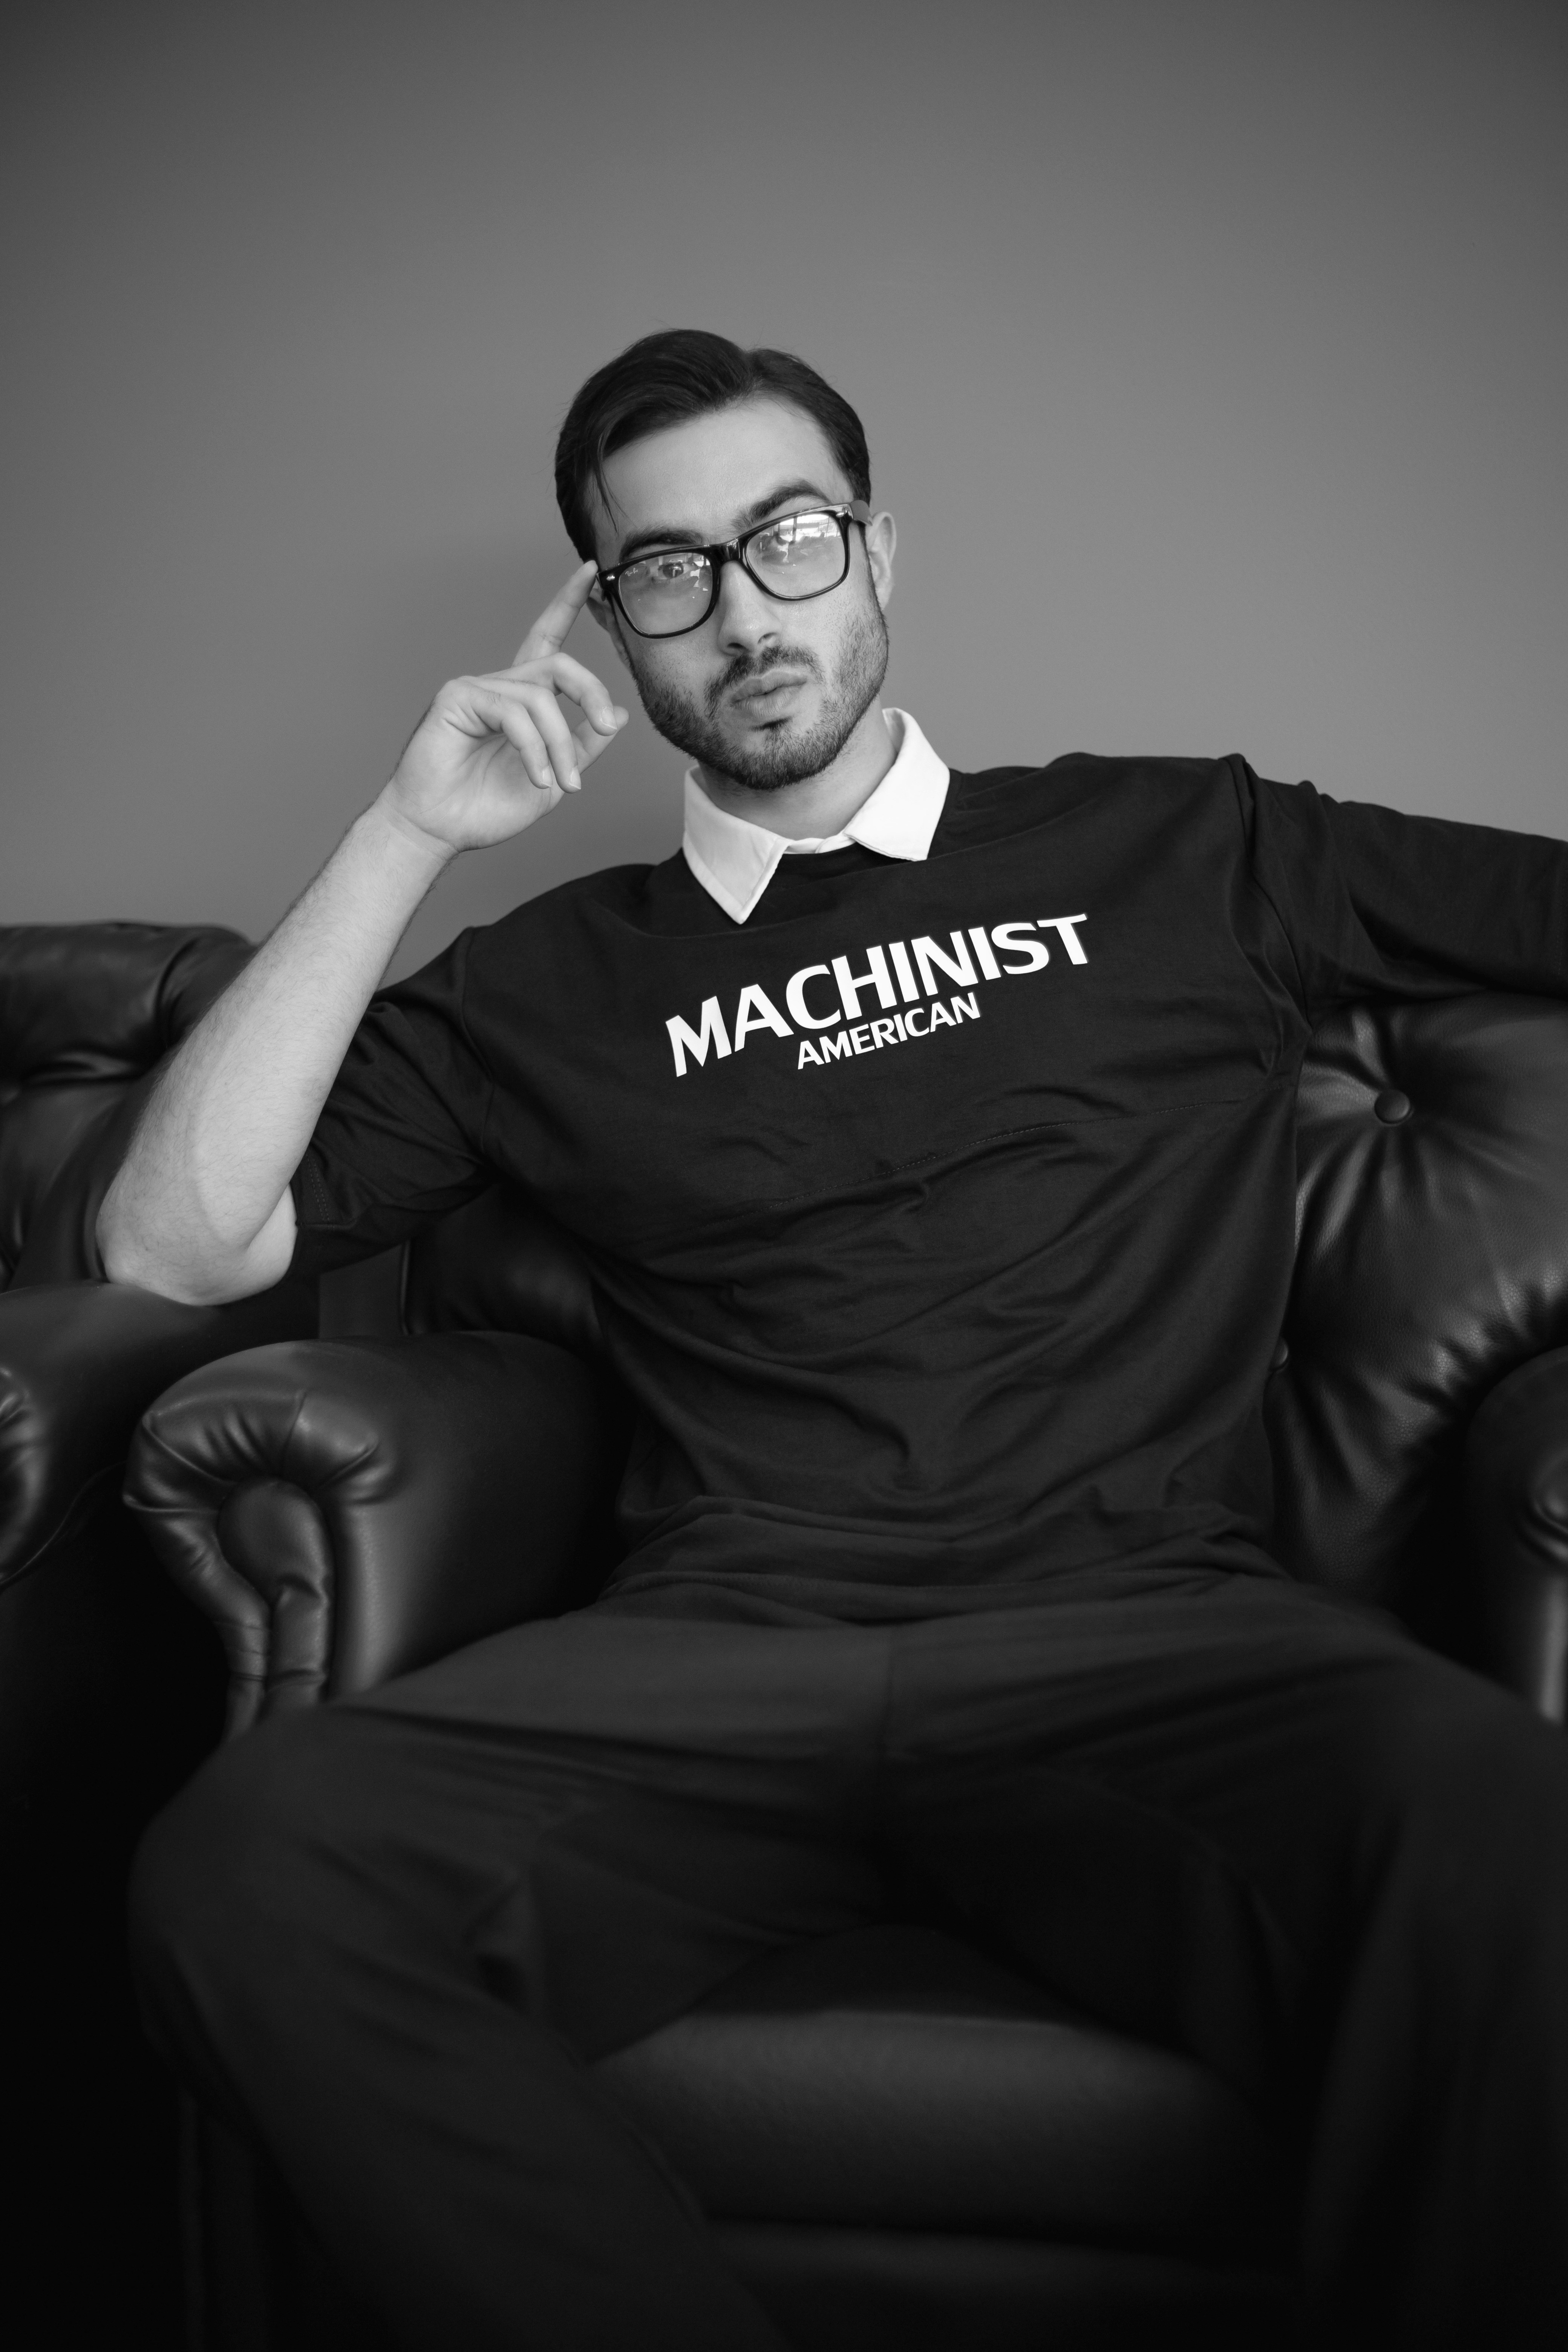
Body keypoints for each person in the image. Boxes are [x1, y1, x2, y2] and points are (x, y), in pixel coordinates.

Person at [110, 329, 1568, 2349]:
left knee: (1506, 1819)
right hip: (717, 1657)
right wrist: (410, 830)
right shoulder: (546, 980)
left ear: (880, 557)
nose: (742, 607)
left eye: (787, 537)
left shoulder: (1190, 846)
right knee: (243, 1870)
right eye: (667, 570)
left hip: (1147, 1640)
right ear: (618, 633)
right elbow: (169, 1241)